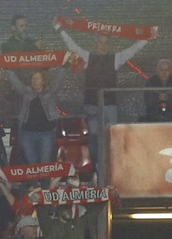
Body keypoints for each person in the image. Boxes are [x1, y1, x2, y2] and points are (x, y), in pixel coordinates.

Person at [54, 24, 150, 164]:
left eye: (106, 43)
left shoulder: (115, 59)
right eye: (100, 42)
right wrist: (60, 30)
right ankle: (97, 167)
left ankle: (111, 168)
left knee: (112, 138)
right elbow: (72, 46)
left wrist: (146, 38)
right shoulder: (87, 57)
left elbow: (132, 50)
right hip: (92, 107)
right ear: (95, 44)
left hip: (110, 107)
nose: (103, 46)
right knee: (94, 139)